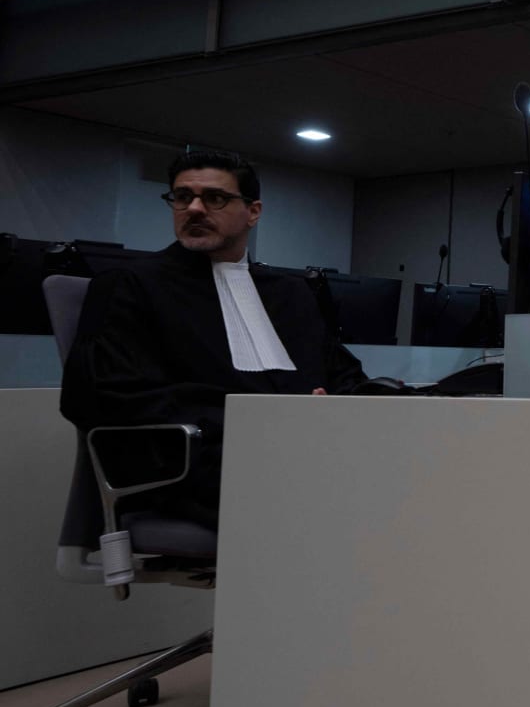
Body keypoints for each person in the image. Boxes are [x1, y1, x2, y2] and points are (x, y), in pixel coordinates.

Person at [60, 149, 367, 527]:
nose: (194, 208)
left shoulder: (290, 294)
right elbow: (103, 398)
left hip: (302, 453)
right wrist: (256, 425)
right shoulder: (130, 285)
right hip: (193, 467)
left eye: (215, 198)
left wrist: (353, 407)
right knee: (347, 502)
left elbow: (342, 374)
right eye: (182, 197)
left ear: (253, 212)